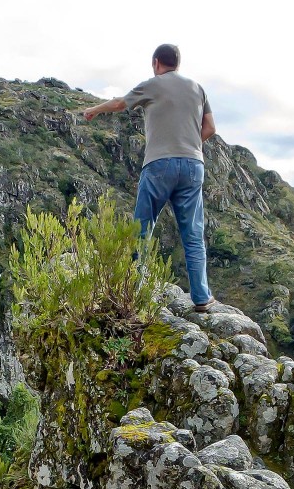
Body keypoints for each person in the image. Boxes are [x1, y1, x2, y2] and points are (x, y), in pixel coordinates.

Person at [82, 43, 218, 312]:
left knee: (142, 230)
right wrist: (190, 145)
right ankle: (201, 297)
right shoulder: (197, 88)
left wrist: (94, 110)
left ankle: (133, 293)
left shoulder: (153, 85)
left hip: (159, 165)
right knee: (193, 233)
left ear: (156, 62)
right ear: (178, 63)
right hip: (193, 164)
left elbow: (121, 103)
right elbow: (210, 128)